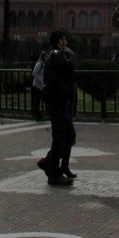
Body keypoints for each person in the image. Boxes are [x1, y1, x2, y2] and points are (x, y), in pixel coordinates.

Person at [38, 31, 77, 186]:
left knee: (67, 135)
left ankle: (49, 163)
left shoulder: (54, 55)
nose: (66, 41)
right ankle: (53, 172)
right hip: (58, 102)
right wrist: (69, 56)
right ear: (59, 41)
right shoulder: (57, 55)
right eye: (64, 39)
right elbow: (69, 68)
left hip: (58, 102)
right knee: (62, 136)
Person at [31, 50, 48, 121]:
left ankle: (39, 115)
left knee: (40, 100)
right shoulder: (39, 64)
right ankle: (38, 116)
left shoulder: (44, 64)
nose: (47, 58)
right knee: (37, 101)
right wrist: (41, 81)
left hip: (41, 86)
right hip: (37, 85)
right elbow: (34, 73)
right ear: (43, 57)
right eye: (46, 57)